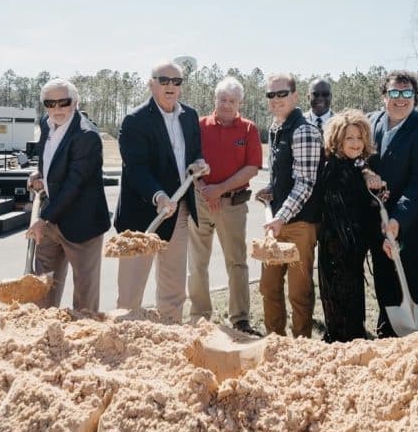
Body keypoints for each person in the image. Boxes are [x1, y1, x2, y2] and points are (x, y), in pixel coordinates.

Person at [114, 61, 208, 323]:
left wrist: (198, 163)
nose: (170, 86)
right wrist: (158, 196)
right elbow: (136, 168)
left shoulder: (190, 116)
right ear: (151, 83)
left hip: (178, 213)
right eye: (164, 80)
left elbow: (194, 152)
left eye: (176, 82)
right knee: (130, 293)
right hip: (141, 219)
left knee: (173, 288)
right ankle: (123, 341)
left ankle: (171, 335)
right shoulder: (135, 120)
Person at [366, 70, 418, 337]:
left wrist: (398, 219)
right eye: (394, 93)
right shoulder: (369, 123)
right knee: (384, 284)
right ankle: (385, 332)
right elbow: (359, 160)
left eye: (407, 93)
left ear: (415, 98)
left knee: (407, 286)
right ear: (384, 96)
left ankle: (407, 340)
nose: (401, 99)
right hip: (378, 224)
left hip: (412, 227)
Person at [27, 78, 110, 313]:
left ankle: (85, 338)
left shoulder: (87, 136)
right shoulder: (46, 123)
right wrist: (39, 173)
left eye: (63, 102)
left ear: (76, 102)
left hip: (82, 225)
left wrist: (43, 219)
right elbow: (51, 158)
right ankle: (44, 333)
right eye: (50, 103)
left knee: (84, 296)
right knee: (43, 288)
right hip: (52, 220)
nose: (57, 109)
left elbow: (75, 184)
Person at [187, 77, 262, 334]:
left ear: (240, 103)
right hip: (200, 201)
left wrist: (219, 190)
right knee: (198, 262)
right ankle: (199, 316)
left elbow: (252, 167)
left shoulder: (249, 129)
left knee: (237, 262)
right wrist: (205, 191)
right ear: (215, 100)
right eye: (223, 100)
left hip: (232, 204)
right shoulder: (199, 126)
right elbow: (190, 163)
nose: (227, 105)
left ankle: (240, 318)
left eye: (232, 101)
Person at [257, 73, 323, 338]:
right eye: (271, 95)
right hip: (278, 222)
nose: (276, 99)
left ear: (295, 96)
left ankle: (301, 345)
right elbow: (286, 175)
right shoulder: (275, 128)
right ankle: (275, 342)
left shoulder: (304, 131)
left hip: (299, 226)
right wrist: (272, 189)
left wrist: (281, 217)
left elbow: (305, 183)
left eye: (281, 93)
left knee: (299, 292)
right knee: (268, 287)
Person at [316, 110, 382, 342]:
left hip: (353, 246)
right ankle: (341, 339)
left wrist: (377, 189)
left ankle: (352, 336)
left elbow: (365, 202)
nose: (355, 143)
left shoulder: (357, 165)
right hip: (336, 245)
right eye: (348, 138)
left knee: (353, 295)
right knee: (337, 296)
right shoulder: (332, 167)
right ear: (337, 140)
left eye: (359, 138)